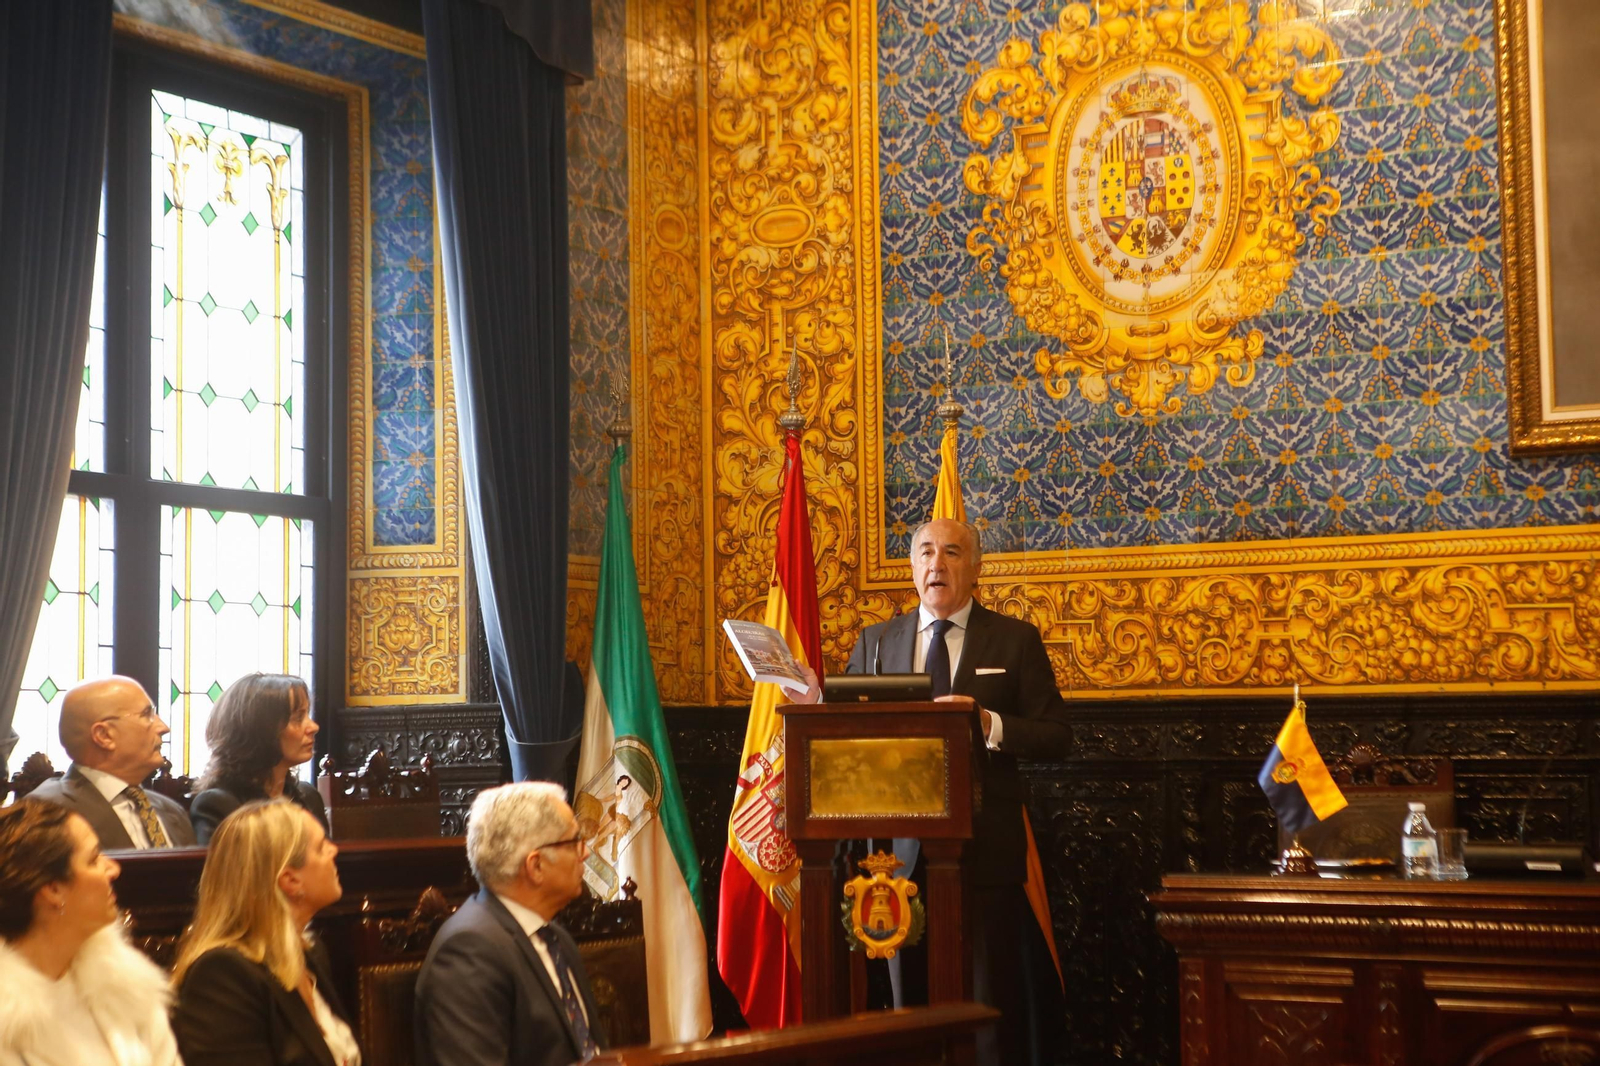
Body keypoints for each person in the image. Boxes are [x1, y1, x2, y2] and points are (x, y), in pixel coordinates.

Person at [803, 517, 1070, 1066]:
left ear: (975, 567)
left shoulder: (1015, 640)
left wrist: (988, 722)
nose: (937, 565)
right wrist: (817, 706)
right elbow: (848, 735)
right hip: (892, 861)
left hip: (985, 855)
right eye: (926, 552)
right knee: (910, 1012)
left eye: (951, 553)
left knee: (985, 1005)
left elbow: (1057, 737)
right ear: (911, 567)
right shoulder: (877, 643)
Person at [415, 782, 603, 1066]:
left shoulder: (556, 938)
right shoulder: (468, 952)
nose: (585, 852)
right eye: (575, 841)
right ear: (536, 866)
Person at [170, 799, 359, 1066]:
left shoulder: (310, 952)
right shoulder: (222, 975)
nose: (333, 850)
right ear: (290, 880)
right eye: (320, 847)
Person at [0, 799, 181, 1066]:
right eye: (94, 858)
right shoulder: (9, 1021)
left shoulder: (125, 983)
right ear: (53, 889)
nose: (113, 869)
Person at [29, 676, 197, 849]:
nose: (163, 728)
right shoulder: (47, 814)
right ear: (104, 735)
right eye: (147, 714)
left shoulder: (172, 811)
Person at [190, 673, 328, 845]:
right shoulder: (218, 805)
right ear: (261, 730)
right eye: (298, 718)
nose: (314, 727)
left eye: (307, 714)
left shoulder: (309, 797)